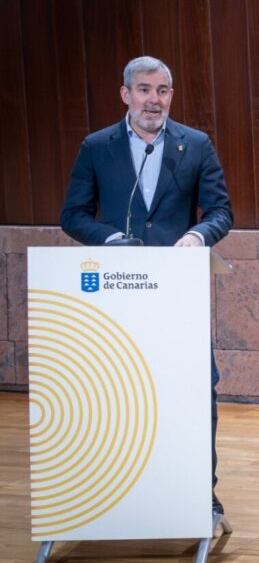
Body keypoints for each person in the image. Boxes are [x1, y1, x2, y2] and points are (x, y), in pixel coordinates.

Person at [60, 55, 233, 514]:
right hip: (120, 294)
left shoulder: (195, 144)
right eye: (143, 90)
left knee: (195, 389)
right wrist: (112, 239)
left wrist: (198, 236)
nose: (152, 100)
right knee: (122, 390)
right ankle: (121, 493)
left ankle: (201, 493)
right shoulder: (98, 147)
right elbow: (73, 215)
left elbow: (220, 211)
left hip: (178, 292)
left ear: (171, 96)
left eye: (161, 91)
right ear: (125, 95)